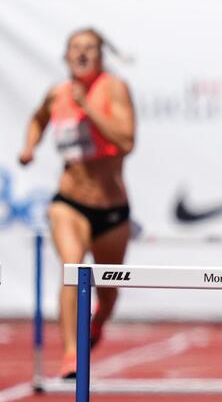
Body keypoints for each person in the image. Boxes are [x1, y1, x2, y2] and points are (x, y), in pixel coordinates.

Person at [18, 28, 136, 379]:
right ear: (66, 56)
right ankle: (72, 353)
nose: (82, 54)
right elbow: (38, 118)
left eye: (89, 49)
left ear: (101, 56)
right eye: (75, 49)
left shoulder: (113, 88)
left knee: (109, 291)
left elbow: (127, 141)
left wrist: (88, 109)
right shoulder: (57, 93)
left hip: (111, 208)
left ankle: (98, 321)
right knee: (73, 270)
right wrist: (29, 147)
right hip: (69, 202)